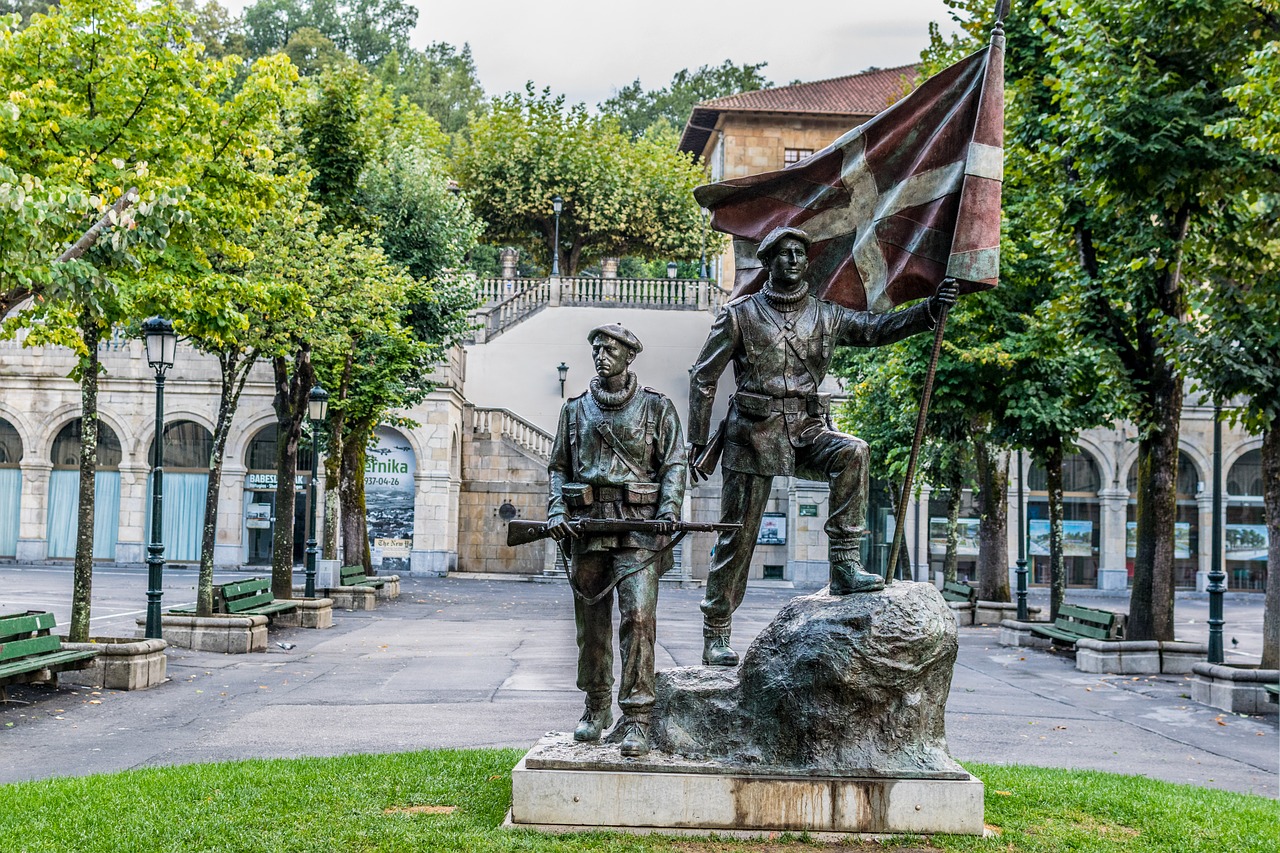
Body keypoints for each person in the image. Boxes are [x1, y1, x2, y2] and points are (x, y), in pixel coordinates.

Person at [687, 226, 958, 666]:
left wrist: (928, 312)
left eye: (799, 252)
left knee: (853, 451)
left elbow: (875, 329)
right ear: (768, 262)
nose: (793, 259)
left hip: (806, 430)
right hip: (752, 433)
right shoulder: (740, 316)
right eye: (784, 253)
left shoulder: (827, 315)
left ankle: (845, 565)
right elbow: (703, 376)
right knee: (738, 538)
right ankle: (716, 631)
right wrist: (696, 442)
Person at [546, 324, 687, 757]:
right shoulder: (574, 411)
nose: (601, 356)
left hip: (638, 529)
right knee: (592, 627)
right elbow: (558, 468)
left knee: (639, 619)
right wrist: (556, 510)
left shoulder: (657, 409)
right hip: (587, 527)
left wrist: (668, 510)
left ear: (629, 356)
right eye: (596, 350)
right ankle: (596, 706)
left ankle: (638, 717)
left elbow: (675, 465)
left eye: (609, 349)